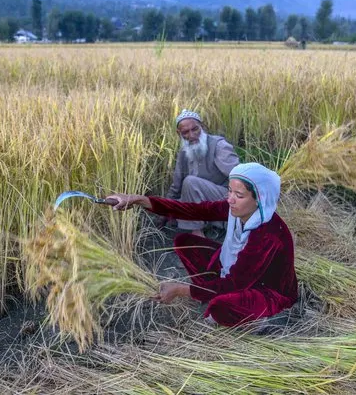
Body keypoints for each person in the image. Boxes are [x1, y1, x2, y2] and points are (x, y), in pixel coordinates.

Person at [107, 163, 298, 327]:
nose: (230, 199)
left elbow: (235, 284)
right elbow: (193, 211)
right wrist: (140, 200)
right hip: (233, 270)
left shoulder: (268, 236)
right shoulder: (234, 210)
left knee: (219, 308)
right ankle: (209, 292)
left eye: (239, 195)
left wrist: (180, 290)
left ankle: (259, 321)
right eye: (229, 191)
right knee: (184, 242)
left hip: (267, 292)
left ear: (259, 199)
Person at [165, 109, 240, 238]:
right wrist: (164, 209)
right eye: (185, 132)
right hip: (202, 202)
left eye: (195, 129)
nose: (192, 135)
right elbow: (176, 186)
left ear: (203, 127)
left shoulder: (219, 146)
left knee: (190, 182)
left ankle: (197, 233)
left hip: (225, 198)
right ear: (179, 134)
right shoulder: (184, 152)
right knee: (177, 202)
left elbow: (238, 176)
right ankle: (207, 224)